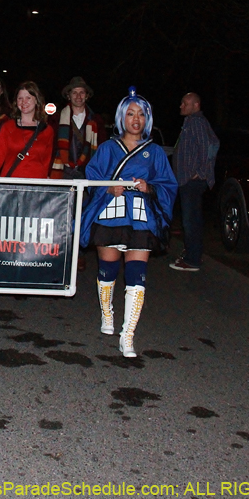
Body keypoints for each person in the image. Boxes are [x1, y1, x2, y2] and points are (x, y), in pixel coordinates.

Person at [81, 87, 176, 358]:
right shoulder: (108, 148)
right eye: (131, 113)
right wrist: (108, 188)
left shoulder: (155, 151)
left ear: (147, 119)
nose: (136, 119)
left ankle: (128, 334)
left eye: (142, 114)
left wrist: (150, 188)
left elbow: (168, 183)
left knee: (136, 276)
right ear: (122, 117)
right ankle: (107, 314)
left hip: (141, 218)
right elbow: (93, 177)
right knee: (107, 271)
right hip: (111, 213)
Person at [169, 92, 219, 272]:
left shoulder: (197, 122)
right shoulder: (190, 122)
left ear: (195, 105)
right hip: (186, 181)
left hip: (192, 182)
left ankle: (192, 260)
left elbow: (211, 145)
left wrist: (200, 172)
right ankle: (192, 253)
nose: (181, 106)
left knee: (191, 221)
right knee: (190, 220)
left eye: (184, 103)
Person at [0, 81, 54, 178]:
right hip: (11, 185)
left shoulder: (47, 130)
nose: (23, 102)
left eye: (28, 98)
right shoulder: (8, 127)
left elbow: (46, 162)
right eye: (20, 98)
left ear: (36, 100)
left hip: (36, 186)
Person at [50, 76, 107, 179]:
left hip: (88, 174)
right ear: (69, 96)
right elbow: (51, 148)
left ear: (86, 96)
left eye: (82, 92)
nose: (78, 96)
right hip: (63, 174)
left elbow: (102, 150)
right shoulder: (56, 120)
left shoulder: (96, 121)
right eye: (74, 93)